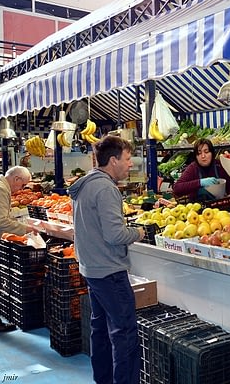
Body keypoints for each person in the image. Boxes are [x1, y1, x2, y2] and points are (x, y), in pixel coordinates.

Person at [69, 135, 145, 384]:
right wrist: (140, 232)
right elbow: (115, 235)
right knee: (125, 335)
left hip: (92, 269)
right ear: (113, 160)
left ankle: (103, 379)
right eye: (126, 159)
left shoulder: (85, 184)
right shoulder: (106, 188)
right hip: (110, 272)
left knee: (100, 331)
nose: (130, 164)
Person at [0, 166, 35, 333]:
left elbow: (5, 216)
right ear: (16, 179)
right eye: (22, 185)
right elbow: (1, 221)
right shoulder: (1, 190)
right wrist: (25, 229)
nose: (20, 189)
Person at [172, 138, 230, 202]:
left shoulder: (219, 165)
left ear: (212, 153)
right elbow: (177, 188)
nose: (203, 156)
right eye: (199, 153)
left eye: (206, 152)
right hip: (198, 208)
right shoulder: (193, 168)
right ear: (196, 156)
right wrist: (200, 182)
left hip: (220, 208)